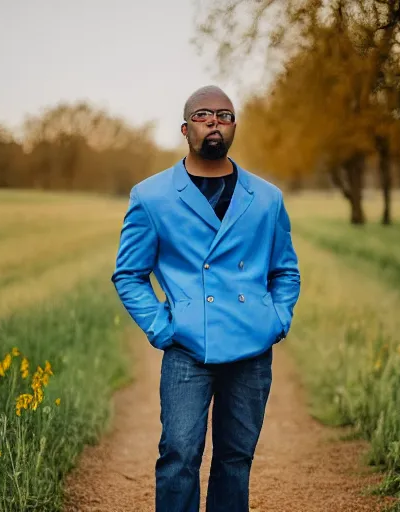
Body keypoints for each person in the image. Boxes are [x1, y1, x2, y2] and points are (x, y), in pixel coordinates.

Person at [111, 85, 301, 512]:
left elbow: (285, 271)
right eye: (203, 115)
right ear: (185, 128)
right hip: (187, 349)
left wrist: (277, 318)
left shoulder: (267, 198)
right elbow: (128, 274)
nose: (214, 121)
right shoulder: (152, 197)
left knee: (235, 460)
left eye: (224, 114)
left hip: (252, 347)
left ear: (234, 126)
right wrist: (164, 327)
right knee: (179, 456)